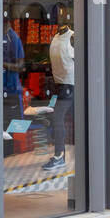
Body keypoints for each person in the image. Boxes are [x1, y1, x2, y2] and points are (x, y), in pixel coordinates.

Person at [43, 16, 75, 172]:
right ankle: (60, 156)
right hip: (61, 85)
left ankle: (59, 156)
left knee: (58, 118)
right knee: (58, 118)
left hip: (71, 85)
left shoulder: (72, 37)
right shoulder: (56, 37)